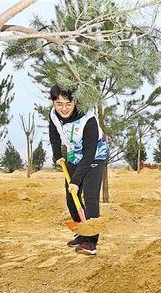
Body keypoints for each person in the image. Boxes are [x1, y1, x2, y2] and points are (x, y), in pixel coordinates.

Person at [49, 85, 108, 255]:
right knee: (70, 199)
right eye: (59, 104)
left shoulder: (88, 119)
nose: (64, 108)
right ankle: (82, 234)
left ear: (75, 102)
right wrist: (56, 155)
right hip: (74, 156)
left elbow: (89, 153)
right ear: (53, 102)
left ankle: (91, 241)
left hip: (95, 155)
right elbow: (54, 134)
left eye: (68, 103)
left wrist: (76, 181)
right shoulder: (54, 115)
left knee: (89, 198)